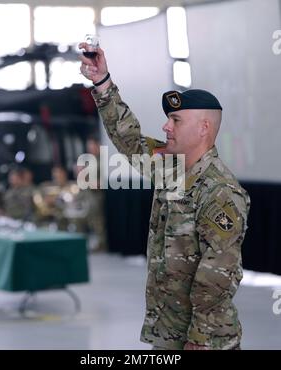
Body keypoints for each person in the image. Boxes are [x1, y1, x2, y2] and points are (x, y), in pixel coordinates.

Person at [79, 43, 250, 350]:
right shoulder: (170, 167)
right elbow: (128, 138)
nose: (165, 126)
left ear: (203, 128)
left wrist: (200, 337)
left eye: (176, 121)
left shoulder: (220, 190)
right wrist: (102, 82)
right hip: (170, 334)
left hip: (203, 341)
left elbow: (218, 273)